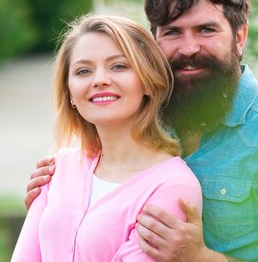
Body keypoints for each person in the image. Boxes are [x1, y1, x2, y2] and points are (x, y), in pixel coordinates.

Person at [24, 0, 258, 262]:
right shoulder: (146, 118)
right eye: (172, 33)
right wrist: (61, 205)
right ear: (154, 43)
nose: (189, 48)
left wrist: (203, 258)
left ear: (240, 36)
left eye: (206, 30)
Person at [11, 14, 203, 262]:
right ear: (69, 91)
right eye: (83, 71)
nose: (100, 80)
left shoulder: (172, 186)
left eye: (119, 66)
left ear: (147, 82)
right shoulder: (57, 168)